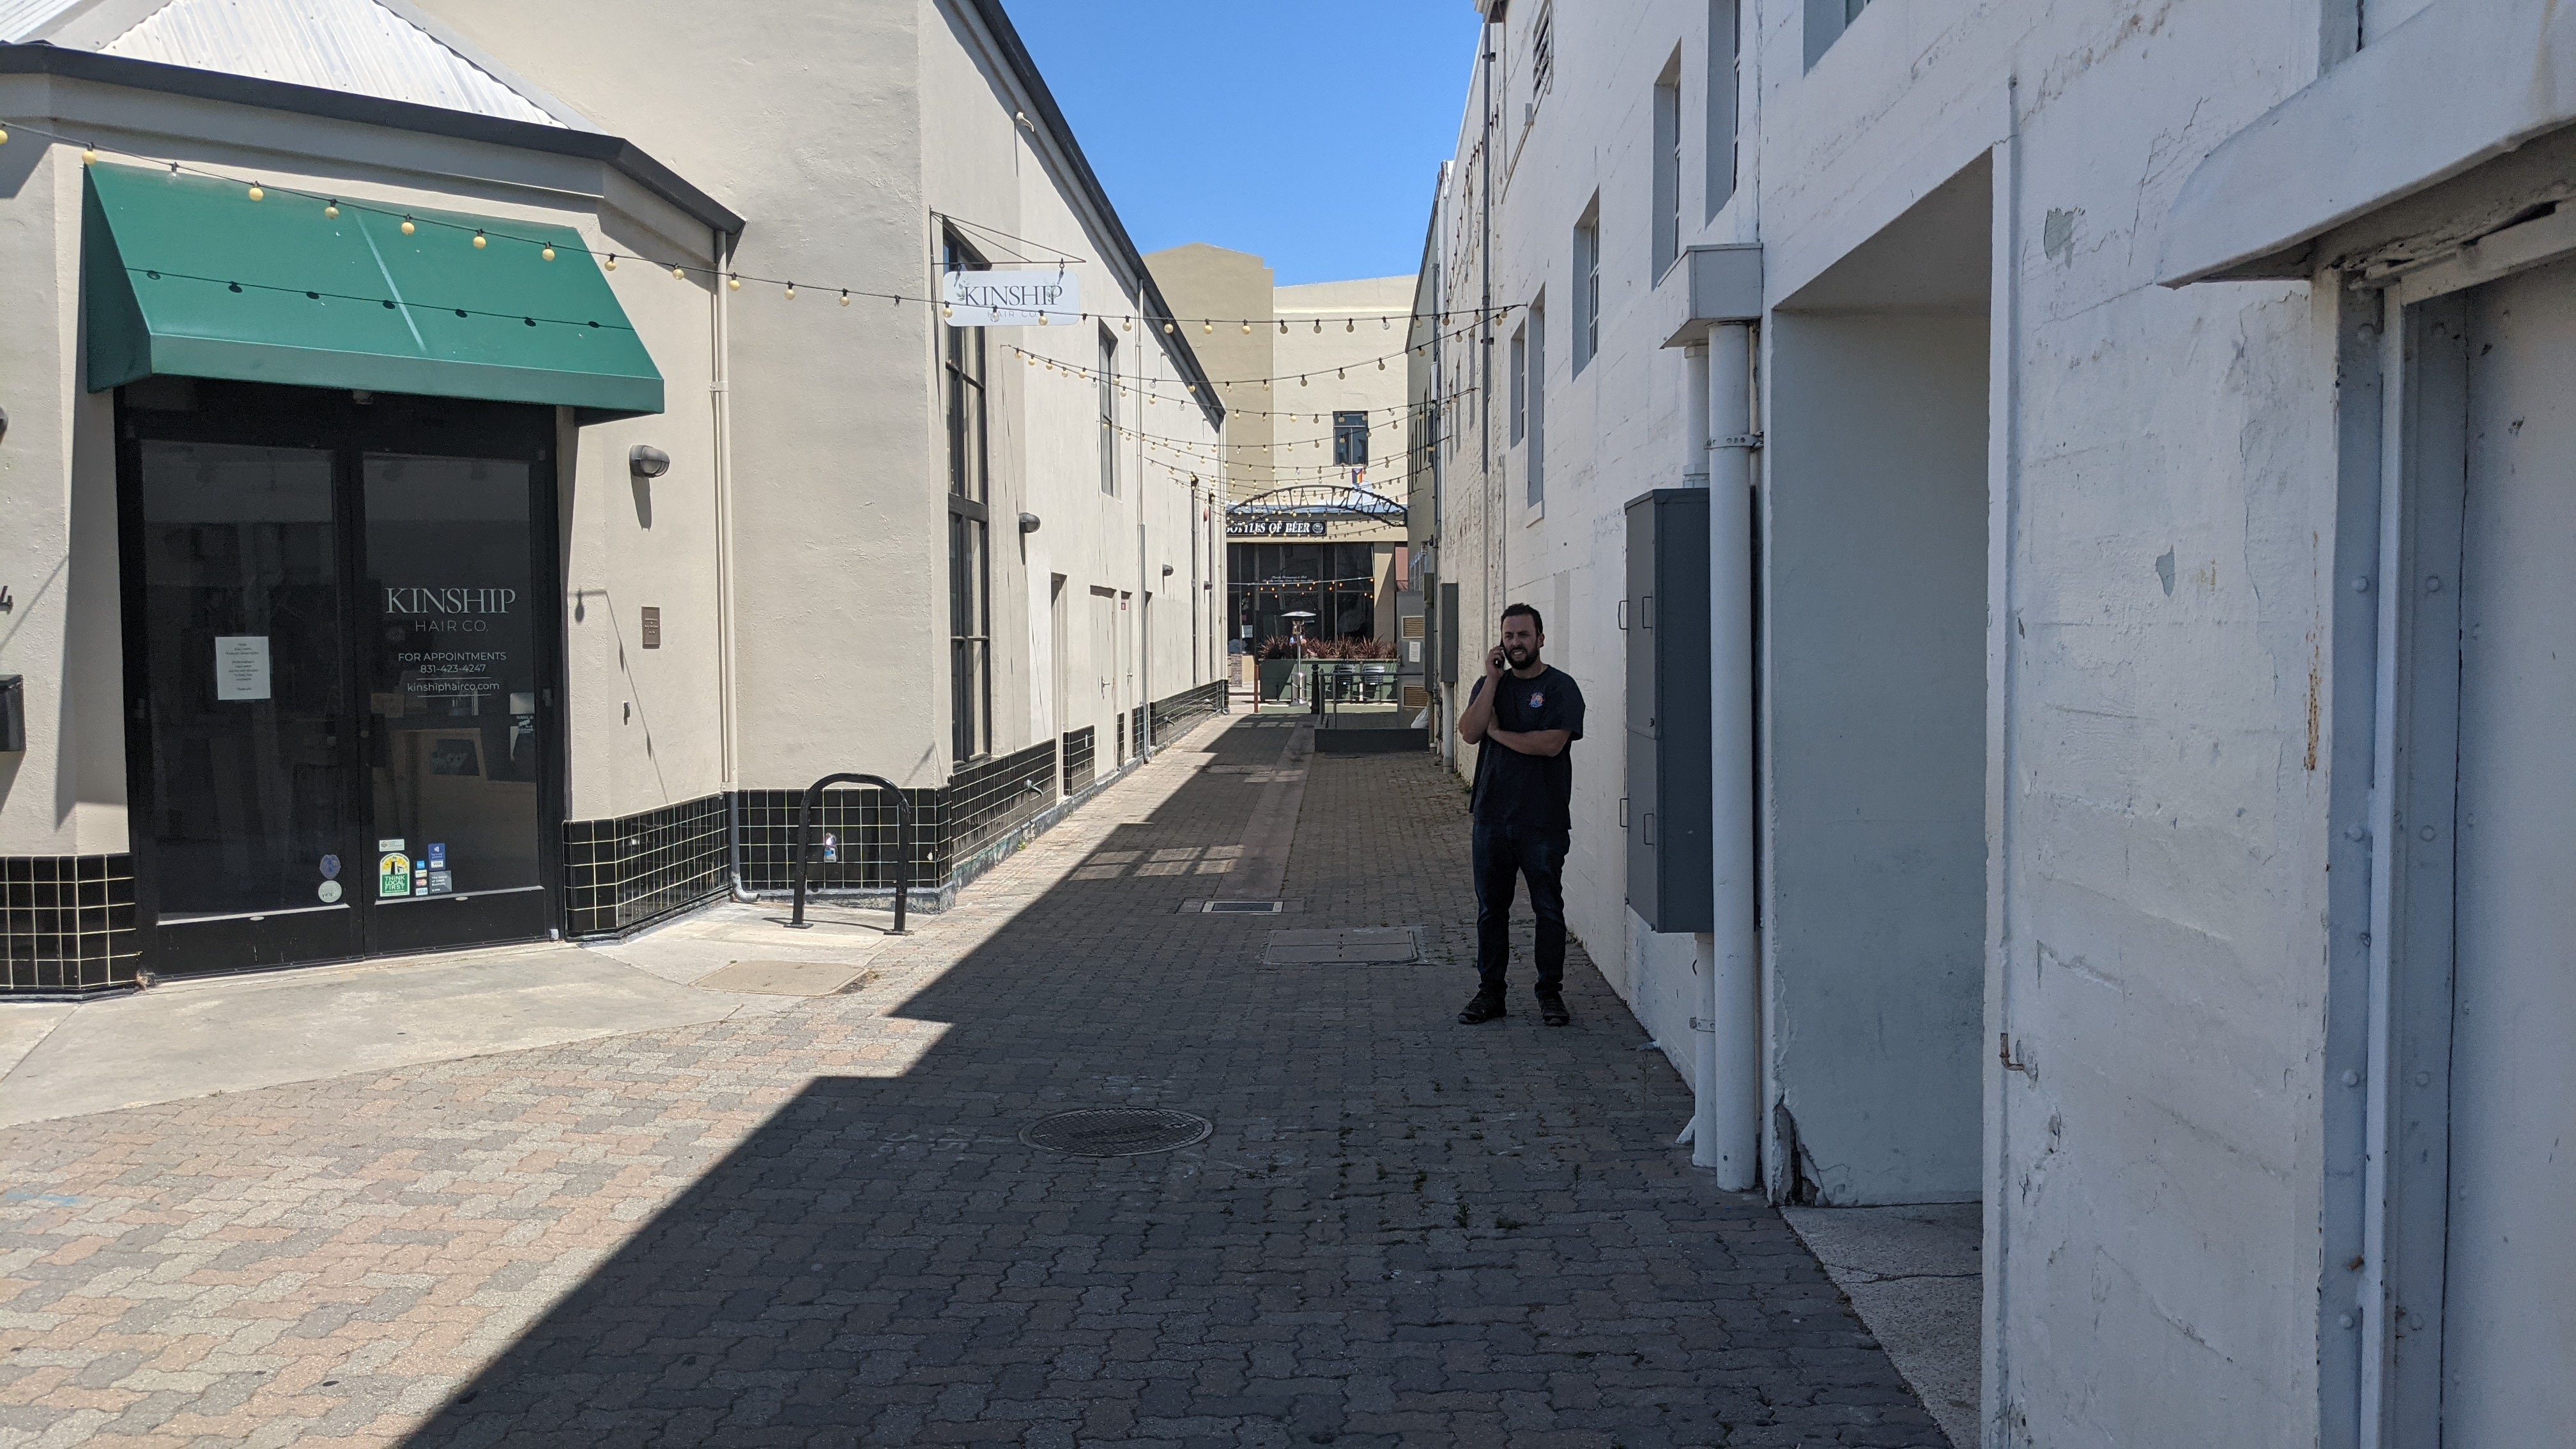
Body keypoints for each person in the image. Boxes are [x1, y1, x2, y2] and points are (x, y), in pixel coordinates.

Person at [1453, 602, 1585, 1026]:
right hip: (1491, 818)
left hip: (1542, 821)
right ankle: (1490, 993)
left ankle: (1550, 994)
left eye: (1524, 635)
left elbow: (1550, 744)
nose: (1515, 643)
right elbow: (1470, 732)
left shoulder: (1561, 688)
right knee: (1492, 910)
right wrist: (1492, 680)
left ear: (1540, 639)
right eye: (1509, 636)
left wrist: (1499, 733)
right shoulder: (1489, 685)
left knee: (1548, 909)